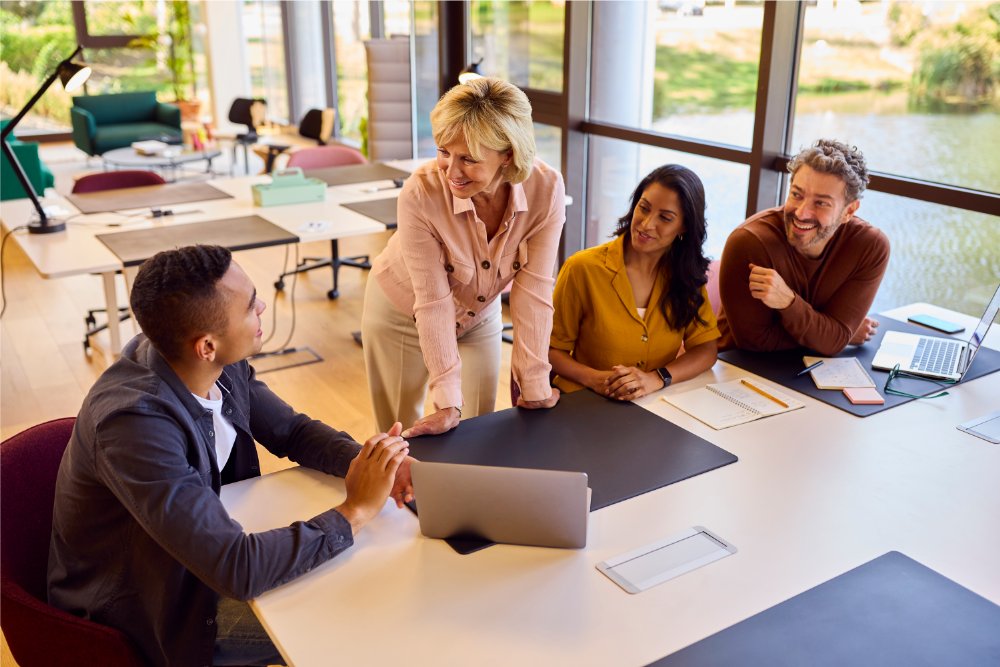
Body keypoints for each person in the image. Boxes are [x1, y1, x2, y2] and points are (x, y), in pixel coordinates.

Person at [48, 245, 414, 667]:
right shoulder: (134, 427)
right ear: (206, 345)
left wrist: (374, 463)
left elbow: (291, 431)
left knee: (367, 571)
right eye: (249, 306)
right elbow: (236, 568)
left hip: (193, 556)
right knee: (360, 608)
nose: (261, 307)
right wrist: (354, 510)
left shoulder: (209, 359)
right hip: (150, 607)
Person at [362, 77, 564, 437]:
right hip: (403, 312)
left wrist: (535, 385)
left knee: (480, 428)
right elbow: (433, 300)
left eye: (468, 159)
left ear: (508, 154)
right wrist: (447, 399)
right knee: (408, 433)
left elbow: (534, 290)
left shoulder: (546, 190)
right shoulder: (420, 192)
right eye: (443, 152)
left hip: (480, 311)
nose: (451, 172)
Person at [549, 164, 719, 400]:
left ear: (685, 227)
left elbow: (706, 349)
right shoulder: (582, 268)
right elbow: (551, 350)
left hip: (653, 406)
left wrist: (658, 378)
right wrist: (595, 379)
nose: (646, 224)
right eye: (644, 208)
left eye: (665, 218)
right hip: (583, 402)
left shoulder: (686, 276)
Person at [717, 139, 890, 356]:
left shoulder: (870, 247)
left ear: (849, 211)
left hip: (811, 373)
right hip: (736, 369)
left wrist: (788, 302)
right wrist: (829, 335)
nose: (801, 213)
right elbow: (755, 342)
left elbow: (834, 339)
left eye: (821, 203)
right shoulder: (750, 242)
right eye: (797, 195)